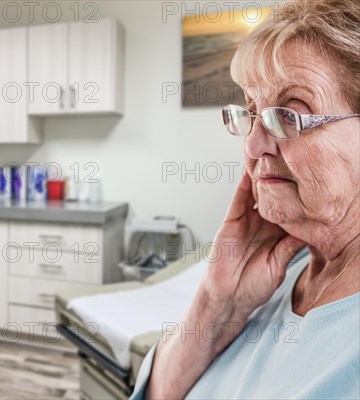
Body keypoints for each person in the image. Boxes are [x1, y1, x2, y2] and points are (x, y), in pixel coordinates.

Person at [131, 0, 360, 398]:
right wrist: (216, 302)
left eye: (290, 115)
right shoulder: (286, 268)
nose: (254, 145)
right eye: (251, 113)